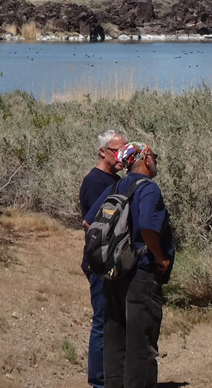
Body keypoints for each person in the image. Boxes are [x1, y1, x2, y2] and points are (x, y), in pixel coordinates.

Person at [94, 142, 174, 388]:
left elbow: (90, 222)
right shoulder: (149, 189)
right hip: (140, 274)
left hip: (115, 273)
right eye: (155, 156)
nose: (156, 161)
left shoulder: (116, 186)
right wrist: (160, 256)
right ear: (146, 159)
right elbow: (149, 227)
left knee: (115, 340)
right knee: (142, 345)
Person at [80, 129, 127, 388]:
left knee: (112, 320)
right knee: (102, 320)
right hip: (100, 263)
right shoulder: (96, 182)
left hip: (109, 261)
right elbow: (94, 225)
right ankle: (99, 381)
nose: (122, 155)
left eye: (126, 149)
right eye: (117, 150)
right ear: (102, 152)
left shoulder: (113, 178)